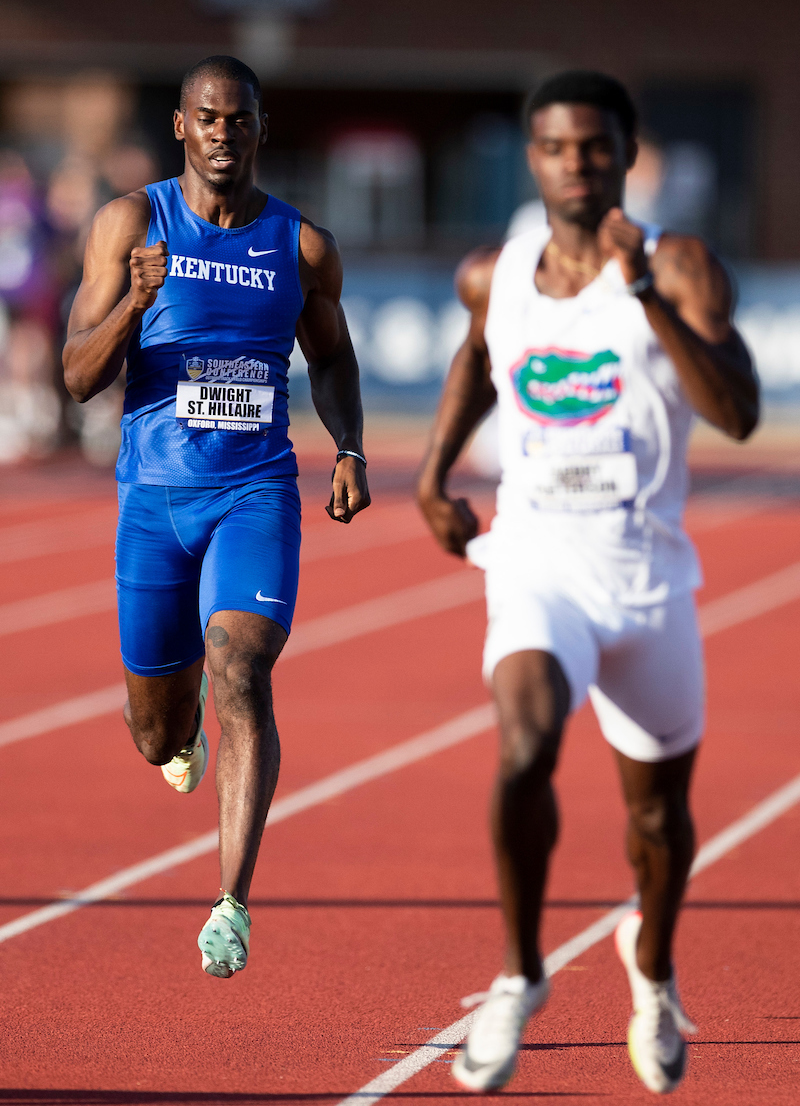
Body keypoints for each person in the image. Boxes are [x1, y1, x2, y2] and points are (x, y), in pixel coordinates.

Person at [417, 70, 758, 1095]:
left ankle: (648, 971)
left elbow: (736, 410)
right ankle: (518, 976)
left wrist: (645, 292)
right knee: (522, 750)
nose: (576, 165)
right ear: (533, 158)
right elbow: (477, 360)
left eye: (595, 148)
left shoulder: (678, 264)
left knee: (656, 821)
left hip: (646, 580)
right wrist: (434, 474)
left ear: (624, 153)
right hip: (533, 564)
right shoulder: (495, 272)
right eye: (557, 149)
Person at [63, 55, 369, 979]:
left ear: (260, 129)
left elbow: (335, 360)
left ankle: (231, 899)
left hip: (255, 491)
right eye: (207, 118)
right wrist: (135, 301)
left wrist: (349, 446)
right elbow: (77, 376)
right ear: (180, 127)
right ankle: (179, 725)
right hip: (154, 499)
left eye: (239, 119)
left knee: (242, 667)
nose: (223, 134)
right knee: (154, 734)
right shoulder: (130, 224)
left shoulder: (302, 246)